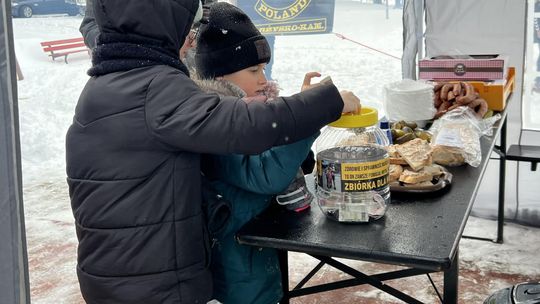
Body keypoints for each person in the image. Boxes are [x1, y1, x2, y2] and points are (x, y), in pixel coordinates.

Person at [66, 0, 360, 303]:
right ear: (160, 26)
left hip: (115, 273)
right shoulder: (156, 87)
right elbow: (249, 128)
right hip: (155, 281)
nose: (192, 40)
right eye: (187, 28)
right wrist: (324, 103)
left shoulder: (103, 87)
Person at [193, 3, 342, 302]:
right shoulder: (218, 122)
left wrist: (298, 111)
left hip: (259, 248)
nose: (263, 78)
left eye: (262, 68)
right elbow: (267, 174)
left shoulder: (252, 111)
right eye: (253, 70)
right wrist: (310, 115)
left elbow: (298, 163)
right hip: (237, 266)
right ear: (221, 76)